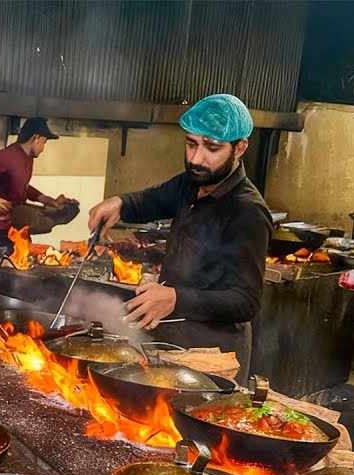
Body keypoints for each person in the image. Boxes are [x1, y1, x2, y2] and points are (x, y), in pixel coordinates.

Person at [88, 94, 272, 372]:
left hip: (214, 356)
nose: (197, 158)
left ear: (240, 147)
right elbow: (154, 200)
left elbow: (246, 301)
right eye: (191, 143)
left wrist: (176, 299)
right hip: (171, 340)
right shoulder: (193, 182)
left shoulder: (247, 211)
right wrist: (121, 204)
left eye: (212, 147)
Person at [0, 116, 77, 249]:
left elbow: (21, 184)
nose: (43, 148)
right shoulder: (7, 156)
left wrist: (43, 199)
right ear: (35, 138)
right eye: (44, 142)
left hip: (15, 228)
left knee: (50, 217)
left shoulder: (28, 158)